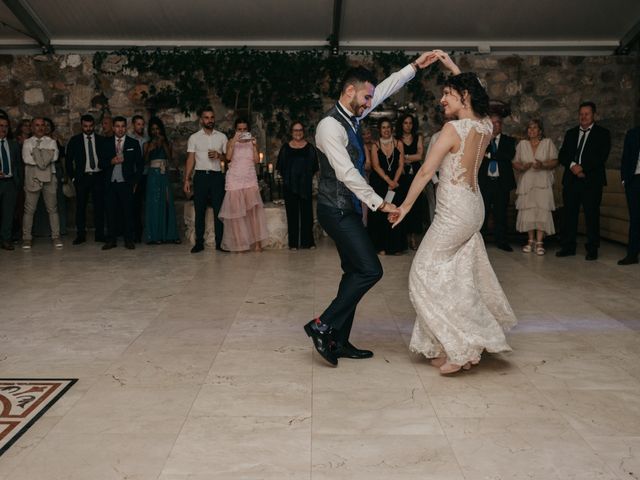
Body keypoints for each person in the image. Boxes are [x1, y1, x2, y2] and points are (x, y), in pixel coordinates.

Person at [305, 50, 440, 367]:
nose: (370, 103)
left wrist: (413, 68)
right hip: (335, 209)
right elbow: (347, 174)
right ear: (349, 91)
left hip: (346, 208)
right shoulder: (329, 127)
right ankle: (322, 325)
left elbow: (385, 89)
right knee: (370, 270)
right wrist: (381, 204)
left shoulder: (353, 114)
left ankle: (337, 340)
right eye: (366, 97)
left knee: (354, 271)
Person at [389, 53, 517, 375]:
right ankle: (446, 344)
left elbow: (422, 174)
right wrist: (452, 68)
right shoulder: (485, 126)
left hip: (455, 212)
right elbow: (476, 98)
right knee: (457, 278)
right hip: (474, 207)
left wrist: (404, 207)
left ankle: (460, 348)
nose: (441, 99)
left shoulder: (452, 130)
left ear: (463, 97)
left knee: (421, 274)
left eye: (447, 93)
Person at [557, 102, 611, 260]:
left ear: (594, 115)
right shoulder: (571, 133)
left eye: (587, 114)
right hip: (571, 180)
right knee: (569, 215)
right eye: (581, 113)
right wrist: (573, 166)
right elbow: (563, 155)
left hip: (591, 181)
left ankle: (592, 249)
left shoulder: (603, 133)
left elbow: (601, 156)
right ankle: (568, 246)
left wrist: (582, 168)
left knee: (591, 215)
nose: (583, 116)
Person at [218, 118, 268, 252]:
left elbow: (257, 160)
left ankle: (257, 244)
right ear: (235, 130)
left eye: (244, 129)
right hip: (235, 179)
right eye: (239, 129)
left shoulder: (252, 142)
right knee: (236, 214)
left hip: (249, 179)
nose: (241, 132)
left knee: (254, 213)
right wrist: (234, 141)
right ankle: (240, 245)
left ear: (248, 130)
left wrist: (254, 145)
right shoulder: (230, 142)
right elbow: (228, 157)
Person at [183, 106, 228, 253]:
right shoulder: (194, 138)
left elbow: (228, 158)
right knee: (200, 210)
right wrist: (186, 179)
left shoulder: (222, 137)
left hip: (217, 176)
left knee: (218, 211)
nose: (210, 120)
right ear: (201, 120)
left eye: (212, 117)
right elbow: (190, 159)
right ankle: (199, 243)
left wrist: (219, 156)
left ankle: (219, 243)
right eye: (207, 117)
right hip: (200, 176)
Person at [512, 118, 558, 255]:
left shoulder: (547, 143)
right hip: (527, 182)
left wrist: (543, 165)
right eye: (530, 128)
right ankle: (530, 240)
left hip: (542, 182)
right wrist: (522, 166)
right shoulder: (522, 145)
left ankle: (540, 242)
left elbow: (555, 161)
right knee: (529, 210)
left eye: (535, 128)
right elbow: (515, 163)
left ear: (540, 131)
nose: (532, 130)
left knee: (541, 210)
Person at [99, 116, 143, 250]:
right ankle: (111, 240)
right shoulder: (105, 143)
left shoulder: (133, 143)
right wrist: (111, 162)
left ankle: (129, 240)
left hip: (126, 183)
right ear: (113, 127)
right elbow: (100, 163)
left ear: (126, 127)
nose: (120, 129)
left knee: (128, 212)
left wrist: (135, 182)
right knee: (110, 212)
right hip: (110, 184)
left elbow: (140, 165)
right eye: (117, 126)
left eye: (123, 126)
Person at [276, 121, 319, 249]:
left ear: (303, 132)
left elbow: (314, 168)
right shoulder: (285, 148)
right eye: (295, 130)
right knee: (292, 215)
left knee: (307, 216)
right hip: (290, 186)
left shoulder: (310, 148)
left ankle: (308, 242)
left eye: (300, 130)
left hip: (305, 186)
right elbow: (281, 168)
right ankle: (293, 243)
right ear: (291, 132)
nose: (298, 132)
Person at [367, 117, 407, 255]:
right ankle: (380, 246)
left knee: (395, 211)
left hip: (395, 182)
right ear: (379, 130)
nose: (386, 130)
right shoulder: (375, 145)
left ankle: (395, 246)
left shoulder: (398, 144)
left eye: (388, 127)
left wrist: (394, 181)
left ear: (392, 129)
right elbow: (375, 166)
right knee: (379, 214)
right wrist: (388, 181)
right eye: (383, 127)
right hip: (379, 182)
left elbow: (401, 164)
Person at [21, 117, 62, 249]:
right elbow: (27, 159)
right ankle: (27, 238)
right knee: (29, 209)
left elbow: (55, 157)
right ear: (32, 127)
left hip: (50, 177)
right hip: (32, 178)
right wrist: (45, 158)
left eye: (42, 125)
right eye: (37, 125)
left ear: (45, 127)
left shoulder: (51, 142)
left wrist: (36, 154)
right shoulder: (27, 142)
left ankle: (56, 236)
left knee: (52, 209)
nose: (40, 128)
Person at [478, 113, 517, 251]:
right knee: (483, 213)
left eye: (497, 123)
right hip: (485, 182)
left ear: (501, 125)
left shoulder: (509, 141)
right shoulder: (482, 140)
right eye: (492, 123)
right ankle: (479, 243)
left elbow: (507, 156)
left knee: (501, 214)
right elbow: (477, 157)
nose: (495, 125)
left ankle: (502, 241)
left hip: (501, 183)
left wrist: (488, 155)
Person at [65, 114, 106, 244]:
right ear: (81, 126)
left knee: (99, 207)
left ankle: (99, 234)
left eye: (90, 126)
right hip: (82, 178)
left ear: (94, 125)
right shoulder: (75, 140)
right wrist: (73, 178)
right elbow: (68, 161)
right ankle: (80, 235)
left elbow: (105, 158)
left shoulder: (101, 140)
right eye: (85, 126)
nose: (88, 128)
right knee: (80, 207)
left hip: (98, 176)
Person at [144, 117, 180, 244]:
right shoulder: (147, 144)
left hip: (164, 174)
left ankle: (169, 235)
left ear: (161, 130)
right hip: (153, 174)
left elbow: (170, 159)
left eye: (157, 129)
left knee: (166, 201)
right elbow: (145, 161)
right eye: (153, 129)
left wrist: (163, 144)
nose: (155, 132)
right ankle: (154, 235)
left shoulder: (167, 143)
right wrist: (151, 148)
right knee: (154, 203)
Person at [397, 113, 428, 249]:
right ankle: (403, 236)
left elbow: (420, 155)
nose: (408, 126)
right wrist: (407, 158)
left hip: (416, 173)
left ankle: (414, 238)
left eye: (410, 123)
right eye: (405, 123)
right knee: (403, 201)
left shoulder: (418, 137)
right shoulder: (397, 139)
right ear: (401, 124)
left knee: (416, 204)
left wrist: (405, 157)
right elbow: (398, 158)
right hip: (402, 174)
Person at [618, 126, 640, 265]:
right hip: (635, 180)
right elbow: (625, 157)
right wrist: (625, 179)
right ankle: (632, 255)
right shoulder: (632, 133)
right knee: (636, 218)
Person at [0, 117, 21, 250]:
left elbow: (18, 164)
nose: (3, 129)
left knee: (8, 213)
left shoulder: (13, 144)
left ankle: (6, 239)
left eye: (6, 126)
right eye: (0, 125)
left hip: (10, 183)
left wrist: (18, 182)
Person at [130, 115, 149, 243]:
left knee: (145, 205)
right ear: (133, 125)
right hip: (134, 175)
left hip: (146, 175)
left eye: (142, 124)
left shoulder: (147, 139)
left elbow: (146, 159)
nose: (141, 126)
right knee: (134, 205)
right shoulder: (129, 139)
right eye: (138, 124)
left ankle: (147, 232)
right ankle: (135, 233)